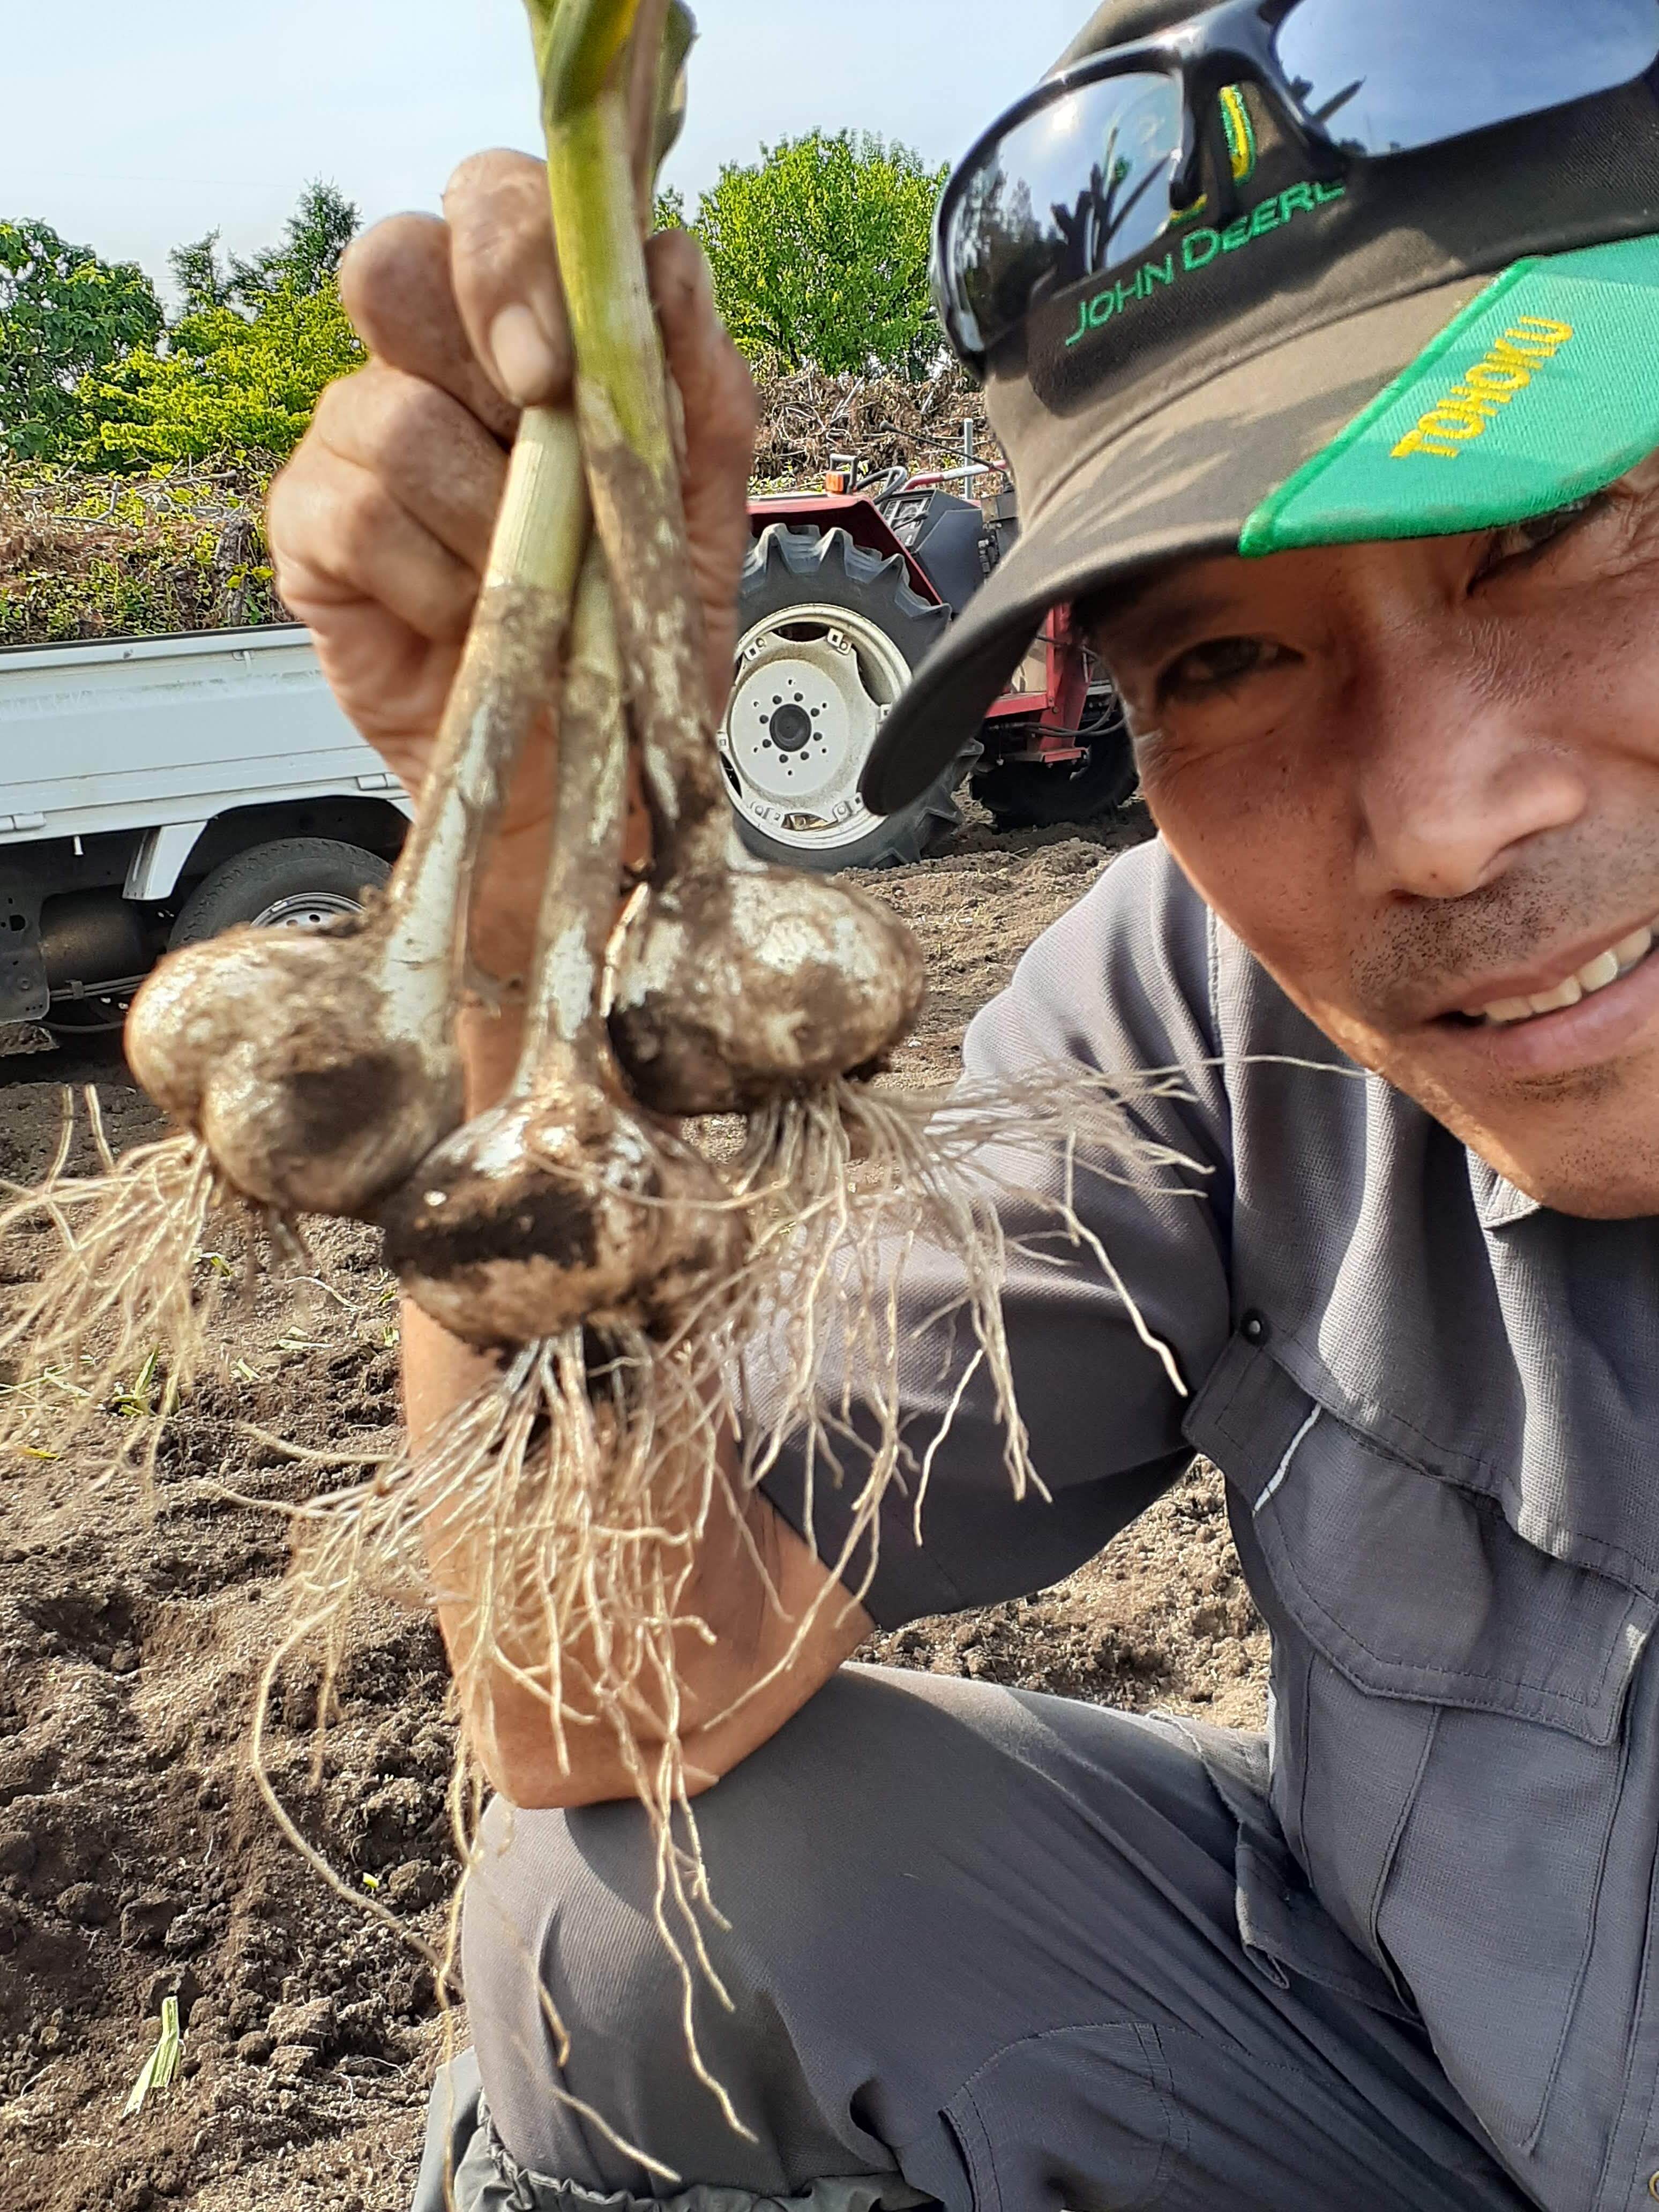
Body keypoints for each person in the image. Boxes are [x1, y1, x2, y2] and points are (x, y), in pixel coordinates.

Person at [268, 3, 1659, 2207]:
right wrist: (522, 922)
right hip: (1455, 2117)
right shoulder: (1202, 1014)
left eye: (1569, 524)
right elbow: (612, 1699)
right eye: (1223, 657)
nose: (1448, 821)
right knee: (654, 1909)